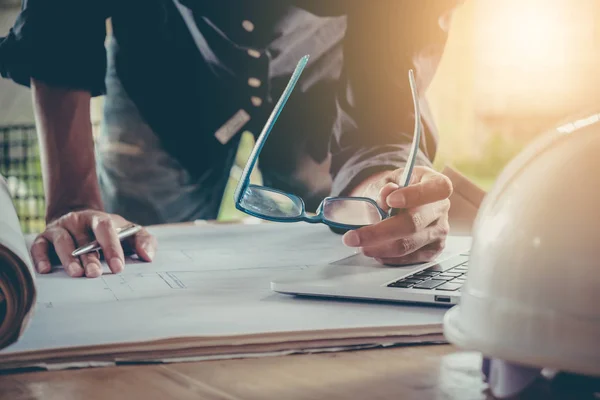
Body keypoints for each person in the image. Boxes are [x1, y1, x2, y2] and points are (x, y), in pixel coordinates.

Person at [0, 1, 460, 278]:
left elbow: (385, 86)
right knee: (121, 253)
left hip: (327, 74)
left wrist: (387, 189)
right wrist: (73, 204)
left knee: (345, 245)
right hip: (165, 57)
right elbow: (60, 16)